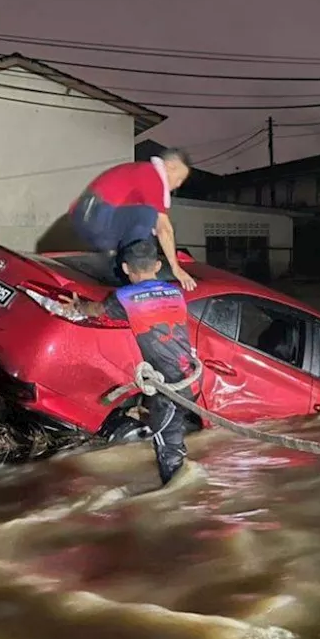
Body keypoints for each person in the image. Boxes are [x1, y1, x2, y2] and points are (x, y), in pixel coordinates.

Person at [63, 239, 200, 490]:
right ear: (158, 265)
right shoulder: (175, 292)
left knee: (168, 450)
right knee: (170, 434)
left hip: (170, 387)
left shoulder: (126, 297)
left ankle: (179, 501)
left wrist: (76, 307)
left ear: (126, 269)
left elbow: (95, 310)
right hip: (188, 378)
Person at [69, 150, 197, 291]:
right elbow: (164, 228)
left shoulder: (139, 174)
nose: (178, 185)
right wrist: (176, 268)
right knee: (147, 214)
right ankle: (140, 277)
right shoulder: (151, 174)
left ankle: (121, 273)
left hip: (89, 218)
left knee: (148, 231)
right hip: (95, 215)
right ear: (170, 166)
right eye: (179, 179)